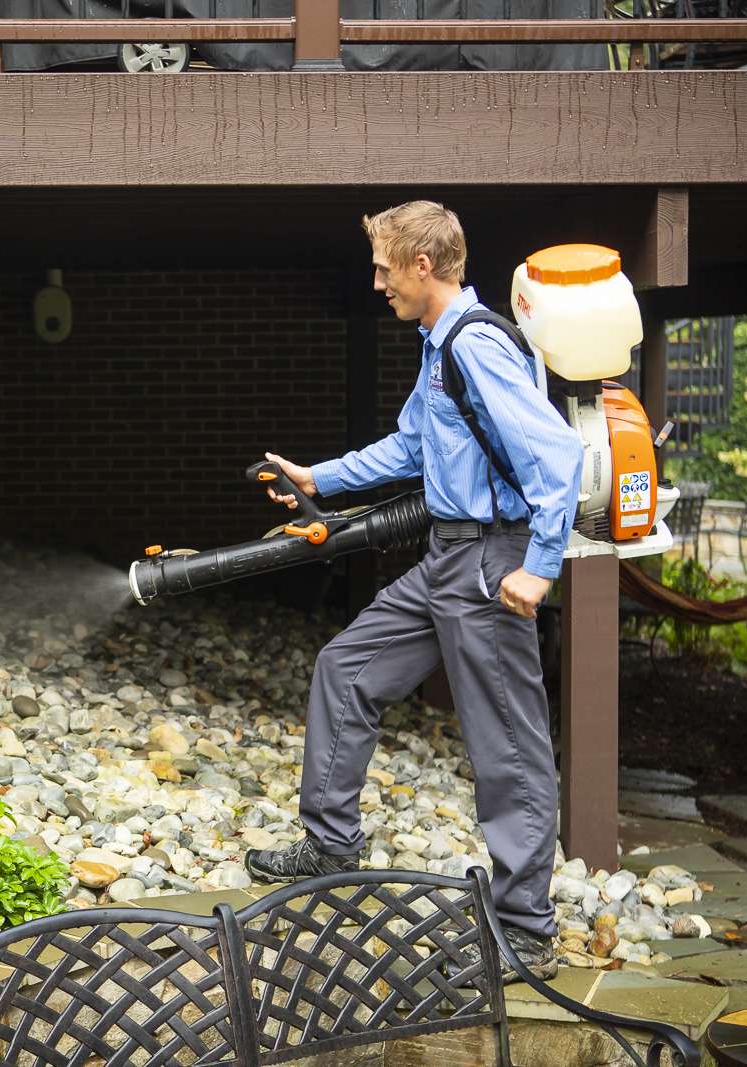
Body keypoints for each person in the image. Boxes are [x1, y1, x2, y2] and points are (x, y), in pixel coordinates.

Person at [243, 201, 583, 982]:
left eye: (383, 267)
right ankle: (330, 843)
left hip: (490, 564)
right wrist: (317, 477)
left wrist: (540, 563)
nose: (376, 283)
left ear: (422, 266)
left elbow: (558, 458)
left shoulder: (477, 347)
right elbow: (411, 443)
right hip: (446, 561)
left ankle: (525, 930)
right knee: (347, 668)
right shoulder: (440, 347)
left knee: (508, 749)